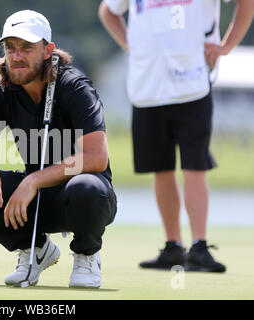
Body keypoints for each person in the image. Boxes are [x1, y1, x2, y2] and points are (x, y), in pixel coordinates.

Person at [0, 10, 117, 288]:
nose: (17, 56)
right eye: (11, 48)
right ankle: (35, 249)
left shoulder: (74, 87)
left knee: (87, 188)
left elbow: (95, 157)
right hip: (32, 202)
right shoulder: (2, 92)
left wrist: (34, 179)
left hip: (83, 200)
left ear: (48, 50)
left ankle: (86, 254)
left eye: (26, 47)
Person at [99, 0, 253, 272]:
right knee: (161, 168)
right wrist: (128, 45)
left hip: (191, 84)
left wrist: (227, 46)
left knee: (195, 166)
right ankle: (173, 246)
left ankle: (199, 246)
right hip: (148, 86)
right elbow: (108, 11)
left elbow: (246, 3)